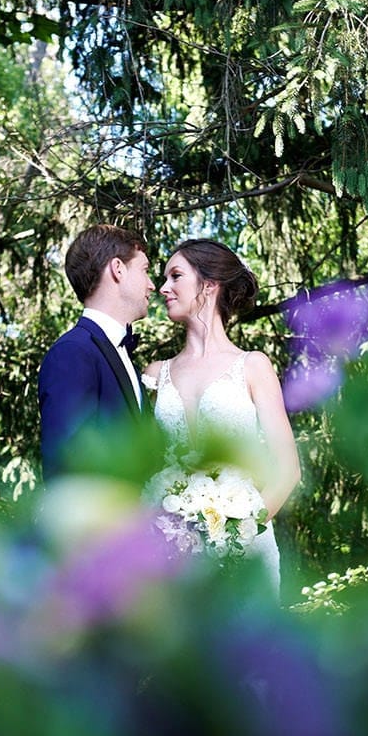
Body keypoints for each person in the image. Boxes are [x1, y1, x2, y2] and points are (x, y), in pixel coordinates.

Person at [142, 239, 300, 593]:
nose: (163, 288)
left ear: (209, 285)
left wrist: (237, 534)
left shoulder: (253, 366)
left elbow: (288, 469)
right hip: (172, 563)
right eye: (163, 278)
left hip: (246, 554)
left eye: (176, 276)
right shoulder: (155, 373)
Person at [38, 224, 155, 475]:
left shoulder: (120, 354)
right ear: (118, 269)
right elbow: (66, 466)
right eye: (145, 271)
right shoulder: (72, 353)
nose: (152, 285)